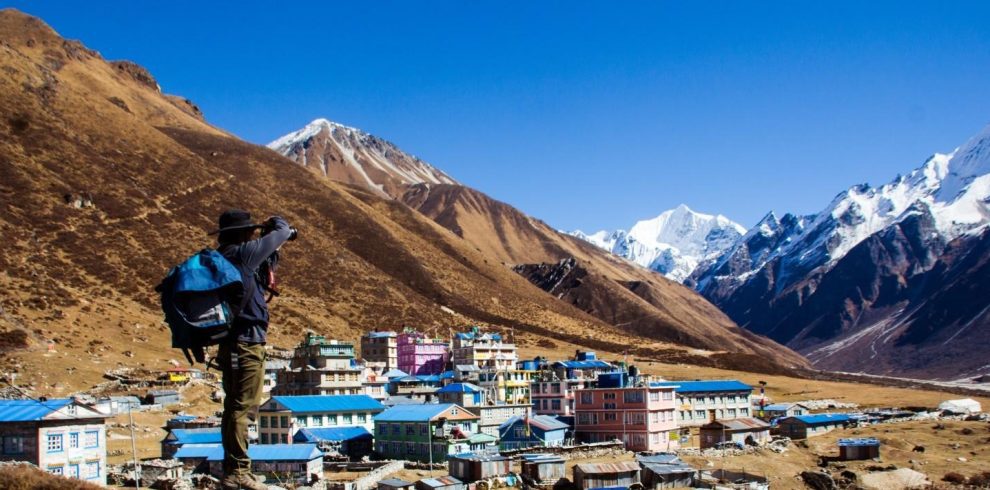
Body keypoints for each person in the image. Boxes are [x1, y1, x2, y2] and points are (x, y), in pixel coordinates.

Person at [210, 209, 293, 490]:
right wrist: (275, 223)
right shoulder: (242, 254)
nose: (254, 236)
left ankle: (234, 469)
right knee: (243, 408)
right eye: (252, 232)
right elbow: (282, 232)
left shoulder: (225, 257)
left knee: (235, 406)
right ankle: (237, 471)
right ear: (244, 233)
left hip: (234, 342)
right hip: (245, 343)